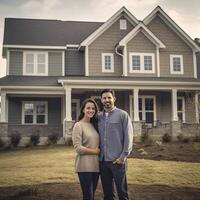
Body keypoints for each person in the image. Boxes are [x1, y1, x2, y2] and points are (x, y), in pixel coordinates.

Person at [98, 89, 133, 200]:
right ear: (101, 100)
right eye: (104, 98)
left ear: (114, 99)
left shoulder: (123, 115)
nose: (107, 100)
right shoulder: (98, 117)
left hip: (117, 161)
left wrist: (123, 157)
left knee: (122, 193)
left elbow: (129, 137)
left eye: (109, 97)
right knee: (108, 194)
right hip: (103, 162)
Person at [72, 98, 100, 200]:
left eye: (93, 108)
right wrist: (95, 151)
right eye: (88, 108)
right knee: (88, 195)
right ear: (83, 109)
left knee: (92, 193)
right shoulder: (78, 125)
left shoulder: (94, 125)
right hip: (84, 166)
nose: (91, 110)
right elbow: (78, 148)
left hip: (96, 166)